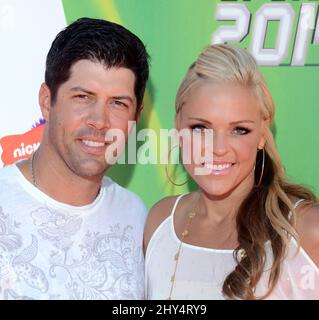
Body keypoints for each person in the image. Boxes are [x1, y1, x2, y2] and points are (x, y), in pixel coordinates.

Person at [144, 44, 319, 300]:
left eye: (239, 130)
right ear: (178, 127)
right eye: (200, 127)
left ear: (262, 133)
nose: (218, 149)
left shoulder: (307, 231)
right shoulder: (159, 223)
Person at [0, 17, 149, 300]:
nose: (99, 121)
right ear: (47, 101)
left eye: (118, 103)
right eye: (83, 96)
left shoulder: (137, 217)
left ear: (136, 117)